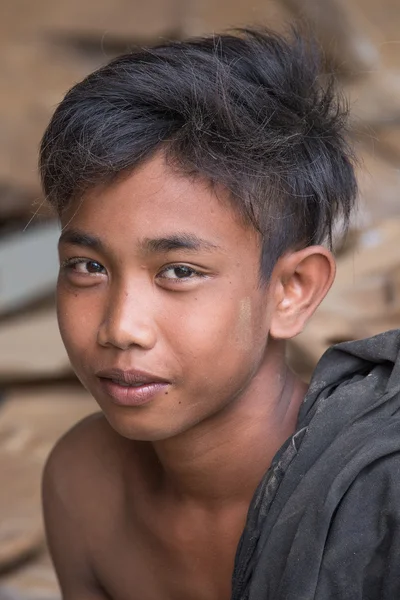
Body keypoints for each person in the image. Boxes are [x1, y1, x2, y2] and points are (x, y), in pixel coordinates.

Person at [40, 28, 400, 600]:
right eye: (88, 267)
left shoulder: (380, 497)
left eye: (179, 271)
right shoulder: (86, 486)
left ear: (292, 291)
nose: (120, 328)